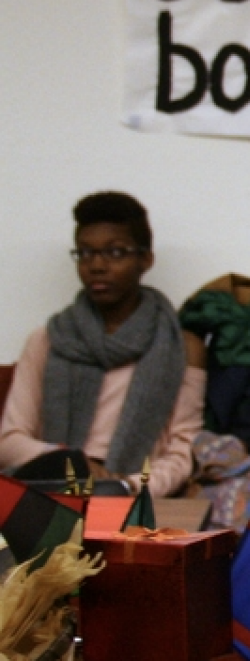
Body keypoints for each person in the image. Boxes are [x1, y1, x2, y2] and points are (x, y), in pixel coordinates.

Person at [0, 193, 206, 498]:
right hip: (52, 489)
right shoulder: (47, 339)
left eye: (115, 252)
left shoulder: (182, 346)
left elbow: (184, 451)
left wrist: (125, 486)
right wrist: (72, 463)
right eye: (85, 253)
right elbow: (9, 441)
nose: (96, 265)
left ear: (145, 259)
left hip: (137, 493)